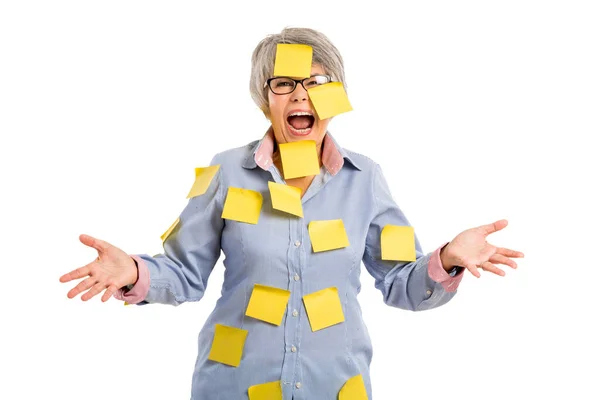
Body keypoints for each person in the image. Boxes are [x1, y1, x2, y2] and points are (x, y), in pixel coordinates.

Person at [59, 27, 524, 400]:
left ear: (336, 94)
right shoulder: (227, 172)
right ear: (266, 99)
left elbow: (402, 284)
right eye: (284, 83)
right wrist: (132, 272)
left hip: (335, 386)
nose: (301, 96)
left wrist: (447, 259)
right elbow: (182, 273)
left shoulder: (365, 179)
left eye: (318, 83)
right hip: (232, 386)